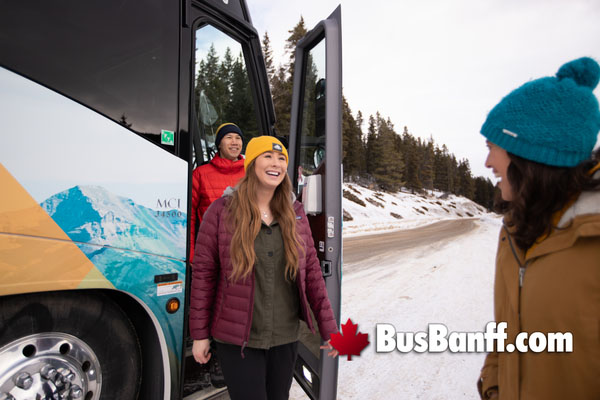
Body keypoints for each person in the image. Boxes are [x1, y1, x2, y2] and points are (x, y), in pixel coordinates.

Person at [478, 57, 600, 400]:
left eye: (492, 149)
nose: (488, 163)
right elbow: (506, 335)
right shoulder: (514, 233)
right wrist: (493, 384)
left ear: (526, 153)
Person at [189, 136, 339, 400]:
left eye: (281, 158)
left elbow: (313, 275)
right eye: (267, 156)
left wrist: (330, 328)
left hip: (285, 337)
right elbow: (204, 276)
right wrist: (199, 335)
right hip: (238, 341)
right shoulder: (222, 211)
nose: (276, 163)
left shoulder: (296, 213)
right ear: (252, 164)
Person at [190, 122, 245, 261]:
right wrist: (191, 253)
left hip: (245, 252)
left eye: (238, 138)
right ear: (219, 144)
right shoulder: (200, 174)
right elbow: (189, 216)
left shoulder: (252, 173)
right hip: (211, 253)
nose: (234, 142)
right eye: (229, 137)